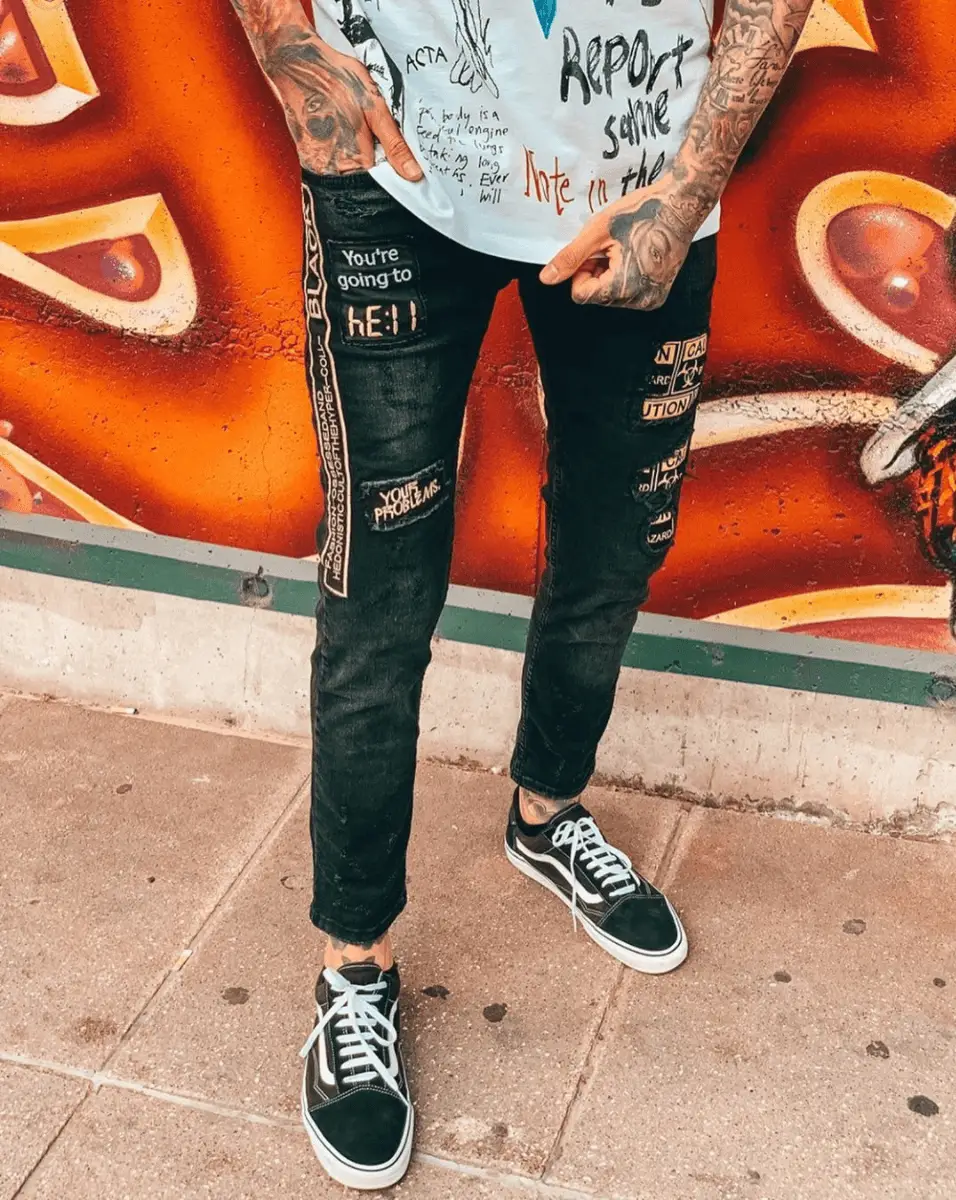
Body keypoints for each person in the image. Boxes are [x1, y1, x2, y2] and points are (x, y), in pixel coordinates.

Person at [229, 0, 814, 1188]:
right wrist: (292, 54)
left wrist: (690, 187)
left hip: (640, 184)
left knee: (611, 546)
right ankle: (354, 964)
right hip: (395, 175)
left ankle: (546, 818)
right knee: (380, 592)